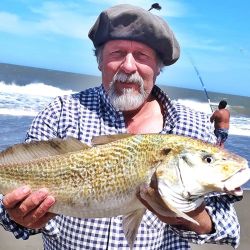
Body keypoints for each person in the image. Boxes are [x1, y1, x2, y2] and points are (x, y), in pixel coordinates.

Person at [0, 4, 241, 250]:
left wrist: (192, 218)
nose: (128, 66)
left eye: (142, 56)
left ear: (158, 68)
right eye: (117, 53)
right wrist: (20, 218)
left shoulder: (192, 128)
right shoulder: (61, 112)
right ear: (100, 61)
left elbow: (228, 230)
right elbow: (7, 207)